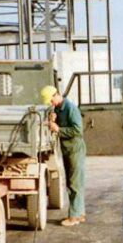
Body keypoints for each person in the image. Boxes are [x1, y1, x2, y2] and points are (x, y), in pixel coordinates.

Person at [41, 85, 86, 226]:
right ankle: (80, 213)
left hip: (75, 149)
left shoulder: (70, 108)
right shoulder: (59, 109)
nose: (50, 104)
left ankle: (74, 217)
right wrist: (53, 119)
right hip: (68, 149)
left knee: (74, 183)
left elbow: (78, 131)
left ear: (56, 95)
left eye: (50, 101)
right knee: (74, 182)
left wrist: (58, 129)